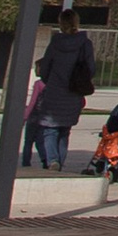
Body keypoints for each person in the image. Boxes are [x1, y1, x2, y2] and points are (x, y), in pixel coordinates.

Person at [30, 17, 95, 171]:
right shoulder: (85, 44)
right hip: (73, 91)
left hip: (54, 90)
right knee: (65, 131)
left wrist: (50, 80)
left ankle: (53, 160)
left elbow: (45, 68)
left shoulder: (55, 43)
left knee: (49, 129)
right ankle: (59, 161)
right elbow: (91, 69)